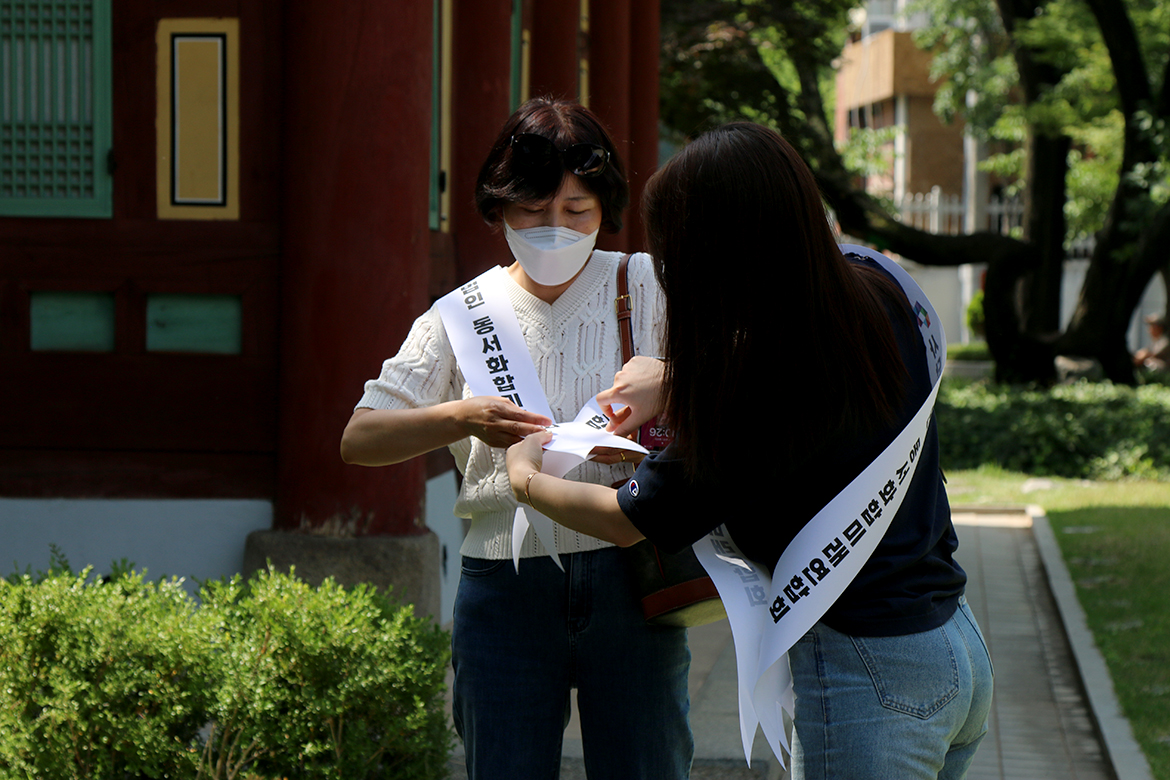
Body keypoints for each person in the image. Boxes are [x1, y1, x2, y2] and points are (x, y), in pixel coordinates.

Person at [505, 122, 994, 780]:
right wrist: (677, 382)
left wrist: (524, 477)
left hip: (870, 675)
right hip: (955, 644)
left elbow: (628, 518)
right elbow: (813, 396)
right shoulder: (878, 290)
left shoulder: (753, 383)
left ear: (713, 252)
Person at [340, 98, 692, 780]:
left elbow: (746, 385)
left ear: (605, 208)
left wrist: (673, 382)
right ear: (498, 207)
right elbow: (361, 437)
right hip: (503, 585)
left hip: (635, 574)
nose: (554, 228)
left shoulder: (648, 286)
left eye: (576, 209)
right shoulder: (461, 315)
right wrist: (459, 417)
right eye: (532, 210)